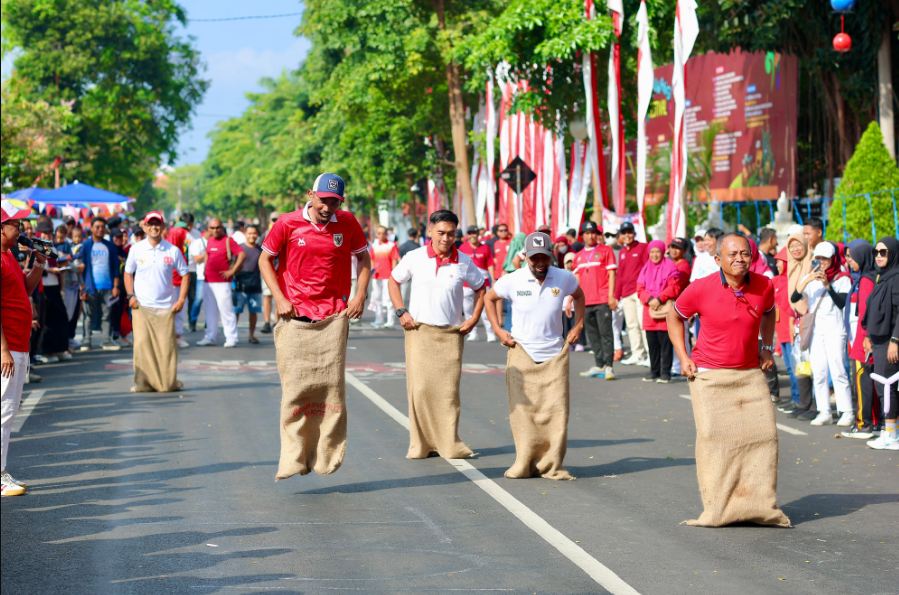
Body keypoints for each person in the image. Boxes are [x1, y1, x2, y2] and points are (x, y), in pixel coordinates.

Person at [668, 233, 791, 528]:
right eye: (733, 254)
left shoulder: (764, 285)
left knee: (763, 437)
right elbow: (675, 317)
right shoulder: (700, 288)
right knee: (715, 441)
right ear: (718, 259)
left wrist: (765, 345)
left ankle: (759, 506)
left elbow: (770, 314)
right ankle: (718, 509)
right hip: (709, 375)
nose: (740, 259)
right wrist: (683, 357)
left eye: (745, 253)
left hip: (749, 374)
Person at [259, 173, 371, 478]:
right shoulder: (287, 223)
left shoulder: (347, 223)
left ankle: (326, 455)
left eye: (334, 201)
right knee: (295, 389)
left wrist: (359, 295)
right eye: (323, 200)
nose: (328, 207)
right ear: (311, 194)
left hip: (334, 317)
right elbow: (264, 260)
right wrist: (280, 297)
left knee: (330, 390)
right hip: (294, 316)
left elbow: (363, 260)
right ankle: (294, 457)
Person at [484, 232, 585, 480]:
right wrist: (498, 330)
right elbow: (489, 297)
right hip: (522, 352)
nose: (540, 263)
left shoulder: (563, 277)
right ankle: (524, 461)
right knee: (523, 412)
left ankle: (551, 464)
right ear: (526, 257)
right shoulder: (513, 280)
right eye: (534, 258)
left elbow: (580, 296)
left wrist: (578, 325)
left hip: (554, 354)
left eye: (544, 258)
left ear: (551, 256)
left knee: (555, 411)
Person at [387, 210, 484, 459]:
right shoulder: (415, 257)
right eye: (441, 232)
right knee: (420, 390)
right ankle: (422, 444)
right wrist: (401, 311)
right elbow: (394, 280)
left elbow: (482, 287)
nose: (446, 238)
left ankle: (448, 443)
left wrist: (473, 318)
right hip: (419, 331)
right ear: (429, 231)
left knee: (447, 392)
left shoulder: (463, 261)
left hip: (451, 334)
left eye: (451, 234)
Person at [2, 200, 47, 496]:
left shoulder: (8, 256)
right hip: (8, 349)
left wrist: (38, 266)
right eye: (15, 225)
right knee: (4, 412)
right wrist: (2, 349)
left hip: (19, 343)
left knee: (9, 411)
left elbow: (23, 290)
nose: (20, 230)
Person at [124, 211, 189, 392]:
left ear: (162, 227)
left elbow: (185, 274)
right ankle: (143, 383)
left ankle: (167, 383)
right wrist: (131, 296)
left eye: (157, 224)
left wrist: (181, 298)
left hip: (165, 308)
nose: (154, 228)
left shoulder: (172, 250)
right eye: (150, 224)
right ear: (144, 227)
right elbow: (128, 273)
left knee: (166, 348)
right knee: (142, 346)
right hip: (142, 306)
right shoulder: (136, 249)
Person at [791, 241, 853, 426]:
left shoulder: (842, 278)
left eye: (825, 258)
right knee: (819, 371)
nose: (821, 262)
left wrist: (827, 285)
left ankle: (847, 410)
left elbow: (842, 302)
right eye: (818, 258)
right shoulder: (811, 278)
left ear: (833, 259)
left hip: (835, 329)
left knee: (838, 370)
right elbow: (794, 298)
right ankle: (824, 410)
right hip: (817, 331)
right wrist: (807, 280)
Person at [861, 237, 899, 451]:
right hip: (879, 340)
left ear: (893, 254)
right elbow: (873, 310)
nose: (878, 256)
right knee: (882, 385)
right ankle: (888, 431)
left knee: (887, 387)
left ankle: (892, 435)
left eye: (883, 252)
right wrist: (868, 335)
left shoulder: (896, 278)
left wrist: (895, 340)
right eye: (876, 252)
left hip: (890, 340)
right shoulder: (881, 277)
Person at [842, 240, 879, 439]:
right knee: (869, 381)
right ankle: (872, 421)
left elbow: (865, 312)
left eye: (852, 257)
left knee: (861, 380)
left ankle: (863, 424)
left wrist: (864, 337)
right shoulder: (870, 277)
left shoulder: (866, 280)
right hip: (866, 337)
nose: (849, 261)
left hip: (863, 339)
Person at [573, 222, 617, 380]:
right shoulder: (578, 256)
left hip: (602, 299)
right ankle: (599, 364)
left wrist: (611, 296)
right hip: (586, 301)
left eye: (593, 233)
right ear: (582, 235)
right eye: (587, 233)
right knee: (592, 334)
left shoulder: (606, 251)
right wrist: (570, 300)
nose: (590, 236)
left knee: (606, 333)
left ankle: (609, 366)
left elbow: (612, 274)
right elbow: (576, 280)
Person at [637, 241, 681, 383]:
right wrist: (649, 299)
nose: (655, 255)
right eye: (652, 252)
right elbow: (639, 289)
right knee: (652, 344)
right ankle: (654, 371)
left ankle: (665, 373)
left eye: (657, 252)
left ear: (663, 252)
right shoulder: (645, 268)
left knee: (666, 344)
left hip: (664, 310)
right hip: (649, 310)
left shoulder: (670, 266)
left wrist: (659, 299)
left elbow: (674, 287)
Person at [196, 218, 244, 348]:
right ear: (208, 229)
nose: (215, 230)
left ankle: (231, 337)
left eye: (217, 227)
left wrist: (232, 271)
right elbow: (207, 255)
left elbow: (241, 254)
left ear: (222, 227)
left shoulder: (228, 240)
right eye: (212, 228)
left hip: (223, 282)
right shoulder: (209, 241)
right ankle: (210, 336)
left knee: (226, 311)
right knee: (210, 311)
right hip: (207, 282)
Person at [80, 217, 122, 351]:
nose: (100, 229)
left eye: (102, 227)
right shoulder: (86, 245)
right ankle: (86, 341)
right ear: (91, 228)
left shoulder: (110, 246)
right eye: (97, 227)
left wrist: (115, 286)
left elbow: (116, 267)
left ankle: (106, 341)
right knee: (88, 315)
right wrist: (82, 287)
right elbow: (81, 266)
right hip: (90, 287)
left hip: (108, 287)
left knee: (107, 315)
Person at [615, 221, 649, 366]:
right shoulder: (622, 252)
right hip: (626, 294)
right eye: (624, 232)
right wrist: (616, 295)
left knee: (643, 324)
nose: (627, 235)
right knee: (631, 325)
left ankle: (649, 355)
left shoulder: (642, 248)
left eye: (629, 232)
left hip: (640, 292)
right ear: (621, 236)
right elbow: (620, 275)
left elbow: (648, 269)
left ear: (634, 234)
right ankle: (638, 353)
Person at [459, 225, 496, 342]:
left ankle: (490, 333)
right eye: (470, 233)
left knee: (485, 310)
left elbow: (490, 265)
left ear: (478, 234)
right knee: (468, 310)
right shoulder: (462, 248)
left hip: (483, 284)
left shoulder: (485, 248)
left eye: (474, 233)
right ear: (467, 235)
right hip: (466, 284)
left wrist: (493, 279)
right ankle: (473, 333)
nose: (472, 235)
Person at [234, 225, 264, 344]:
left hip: (255, 285)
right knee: (236, 311)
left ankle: (251, 335)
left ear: (257, 235)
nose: (252, 235)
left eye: (254, 233)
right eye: (249, 233)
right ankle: (233, 335)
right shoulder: (239, 249)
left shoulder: (260, 250)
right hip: (240, 284)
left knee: (254, 311)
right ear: (245, 234)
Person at [369, 226, 400, 328]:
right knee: (377, 298)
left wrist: (394, 275)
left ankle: (390, 321)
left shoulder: (391, 245)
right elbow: (372, 259)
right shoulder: (374, 245)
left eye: (383, 233)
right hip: (376, 276)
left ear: (387, 234)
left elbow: (395, 260)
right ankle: (379, 319)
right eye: (379, 233)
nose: (381, 235)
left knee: (388, 299)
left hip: (388, 276)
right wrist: (372, 270)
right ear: (376, 234)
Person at [187, 226, 207, 333]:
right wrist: (209, 252)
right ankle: (192, 321)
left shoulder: (218, 241)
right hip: (201, 276)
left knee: (211, 302)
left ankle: (209, 323)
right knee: (198, 300)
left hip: (214, 277)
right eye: (212, 228)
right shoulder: (198, 242)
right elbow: (197, 259)